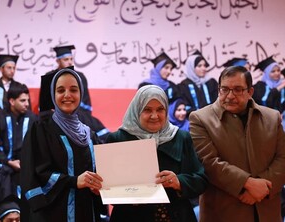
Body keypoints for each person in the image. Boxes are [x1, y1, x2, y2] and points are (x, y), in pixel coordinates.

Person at [189, 66, 285, 221]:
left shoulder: (272, 118)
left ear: (250, 92)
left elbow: (282, 159)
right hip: (223, 212)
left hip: (267, 211)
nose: (230, 96)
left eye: (238, 89)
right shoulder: (200, 119)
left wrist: (262, 189)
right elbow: (209, 162)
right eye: (224, 89)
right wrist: (246, 184)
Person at [106, 85, 207, 222]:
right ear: (137, 111)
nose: (155, 116)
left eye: (160, 109)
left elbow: (201, 179)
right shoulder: (118, 139)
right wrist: (128, 196)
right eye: (147, 110)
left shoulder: (181, 138)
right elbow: (106, 187)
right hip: (130, 217)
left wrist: (179, 182)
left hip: (176, 216)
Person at [20, 69, 105, 222]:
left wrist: (99, 187)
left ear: (81, 93)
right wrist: (74, 181)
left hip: (86, 211)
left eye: (74, 89)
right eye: (60, 90)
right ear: (53, 95)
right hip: (52, 214)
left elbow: (102, 173)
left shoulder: (89, 134)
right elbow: (35, 173)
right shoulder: (41, 128)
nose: (67, 95)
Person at [0, 83, 38, 196]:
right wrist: (8, 161)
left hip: (25, 166)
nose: (27, 104)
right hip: (2, 165)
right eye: (22, 101)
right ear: (12, 101)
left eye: (27, 100)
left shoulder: (32, 118)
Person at [0, 54, 32, 120]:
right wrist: (4, 116)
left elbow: (27, 108)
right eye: (9, 68)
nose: (12, 71)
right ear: (1, 69)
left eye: (14, 68)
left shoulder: (20, 87)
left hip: (17, 120)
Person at [178, 50, 218, 116]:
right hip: (194, 120)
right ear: (191, 68)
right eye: (199, 66)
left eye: (204, 65)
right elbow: (185, 105)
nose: (203, 68)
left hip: (213, 119)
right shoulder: (184, 85)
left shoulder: (211, 82)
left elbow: (217, 101)